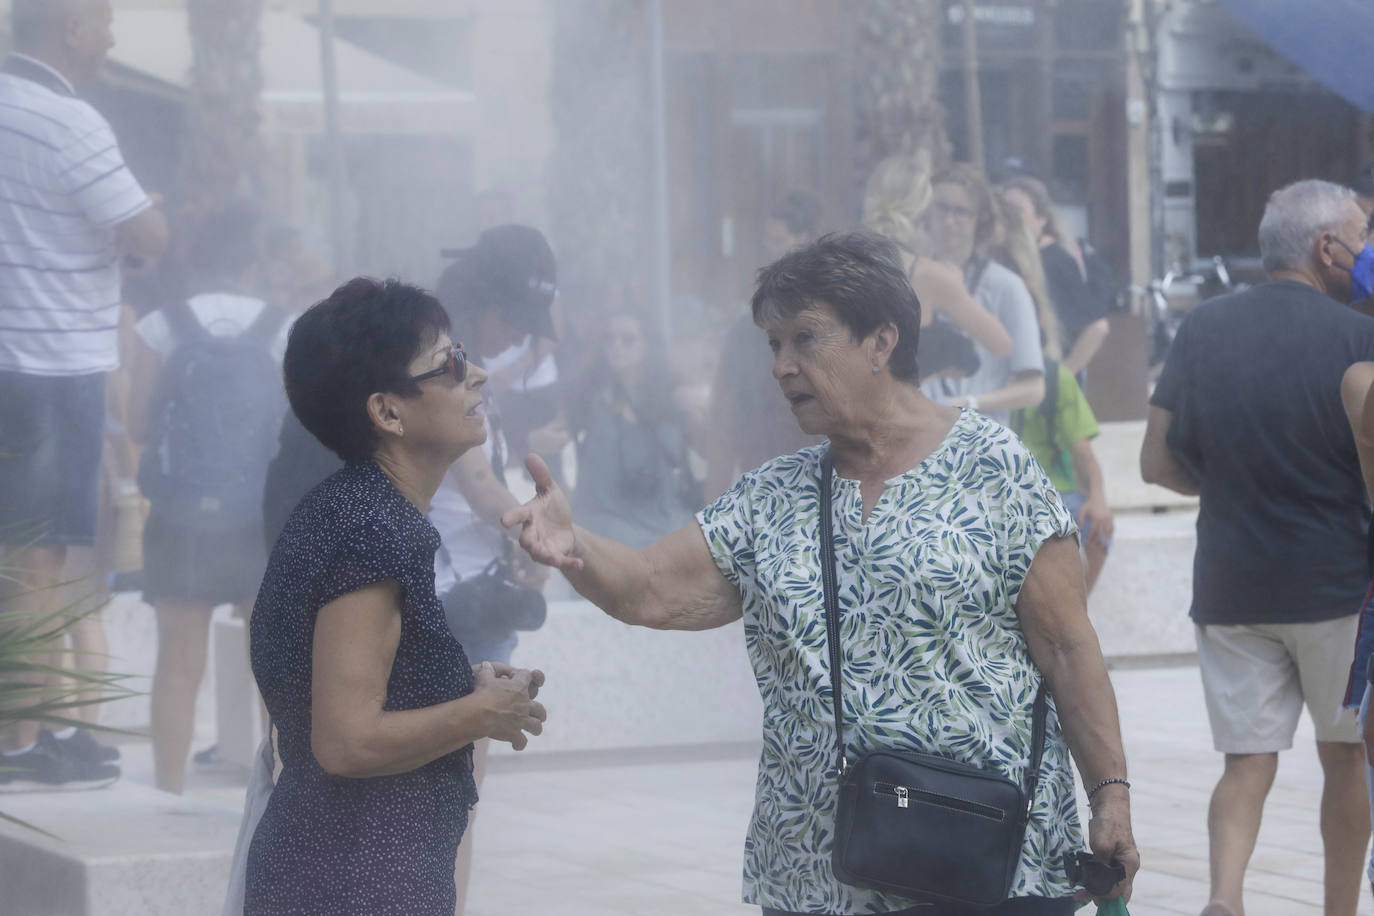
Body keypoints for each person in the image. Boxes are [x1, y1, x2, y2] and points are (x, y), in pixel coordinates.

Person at [505, 232, 1138, 915]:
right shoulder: (770, 499)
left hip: (988, 861)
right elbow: (650, 586)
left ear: (880, 342)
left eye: (805, 339)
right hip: (820, 875)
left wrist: (1111, 795)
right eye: (773, 345)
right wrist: (575, 542)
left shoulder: (996, 468)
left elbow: (1069, 648)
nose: (781, 366)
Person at [244, 278, 548, 915]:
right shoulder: (377, 530)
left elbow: (343, 688)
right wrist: (481, 713)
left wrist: (464, 688)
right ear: (387, 412)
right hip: (360, 880)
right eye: (451, 365)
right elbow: (347, 740)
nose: (480, 375)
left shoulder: (347, 510)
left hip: (331, 867)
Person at [1140, 179, 1374, 916]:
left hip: (1233, 585)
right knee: (1346, 760)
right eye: (1363, 236)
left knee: (1245, 764)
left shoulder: (1202, 329)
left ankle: (1225, 898)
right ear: (1327, 247)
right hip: (1339, 587)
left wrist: (1230, 485)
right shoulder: (1360, 339)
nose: (1368, 251)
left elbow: (1156, 464)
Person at [0, 0, 168, 791]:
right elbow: (147, 235)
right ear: (69, 28)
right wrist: (135, 231)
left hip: (11, 365)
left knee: (23, 561)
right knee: (38, 565)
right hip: (52, 367)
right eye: (102, 22)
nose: (110, 38)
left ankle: (30, 735)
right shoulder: (69, 122)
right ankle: (21, 747)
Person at [127, 204, 288, 795]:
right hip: (259, 517)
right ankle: (280, 791)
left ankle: (169, 790)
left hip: (181, 518)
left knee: (178, 659)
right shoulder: (283, 326)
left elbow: (138, 424)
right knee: (272, 659)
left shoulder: (161, 326)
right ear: (252, 262)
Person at [705, 190, 827, 498]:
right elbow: (724, 418)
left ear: (804, 240)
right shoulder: (746, 333)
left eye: (777, 239)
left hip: (818, 474)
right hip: (762, 472)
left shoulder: (830, 319)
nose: (769, 249)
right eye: (768, 240)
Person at [923, 164, 1045, 425]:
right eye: (941, 208)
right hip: (920, 442)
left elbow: (1034, 388)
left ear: (979, 220)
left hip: (983, 442)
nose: (949, 220)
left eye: (961, 212)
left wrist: (970, 403)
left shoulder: (1007, 286)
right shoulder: (908, 279)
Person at [568, 309, 700, 547]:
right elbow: (556, 434)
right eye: (609, 339)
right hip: (606, 518)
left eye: (628, 339)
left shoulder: (671, 393)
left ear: (648, 344)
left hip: (665, 513)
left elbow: (708, 446)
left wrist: (700, 403)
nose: (616, 346)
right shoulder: (588, 393)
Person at [1011, 363, 1113, 594]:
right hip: (998, 492)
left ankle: (1077, 611)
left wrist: (1098, 499)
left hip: (1051, 491)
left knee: (1098, 527)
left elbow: (1083, 451)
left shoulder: (1055, 377)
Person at [1000, 176, 1110, 381]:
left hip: (1046, 384)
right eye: (1003, 209)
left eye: (1017, 209)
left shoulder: (1055, 260)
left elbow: (1097, 327)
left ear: (1041, 218)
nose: (1009, 217)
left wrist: (1060, 379)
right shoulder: (1004, 260)